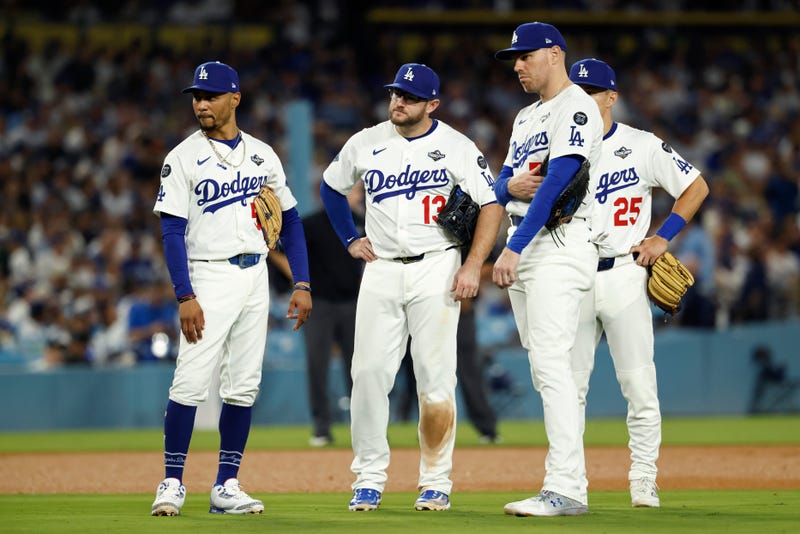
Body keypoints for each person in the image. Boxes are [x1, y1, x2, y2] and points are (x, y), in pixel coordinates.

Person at [321, 63, 503, 512]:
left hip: (436, 268)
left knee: (435, 378)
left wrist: (472, 264)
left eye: (409, 97)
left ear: (432, 104)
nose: (398, 102)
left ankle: (435, 481)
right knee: (366, 375)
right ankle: (368, 477)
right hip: (381, 268)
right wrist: (349, 237)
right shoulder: (366, 141)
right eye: (395, 94)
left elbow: (491, 204)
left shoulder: (456, 147)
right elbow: (330, 187)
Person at [150, 61, 312, 517]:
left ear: (234, 99)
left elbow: (292, 220)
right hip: (208, 275)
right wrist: (185, 294)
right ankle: (172, 482)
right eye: (196, 96)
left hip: (255, 274)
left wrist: (301, 281)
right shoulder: (181, 158)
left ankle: (226, 485)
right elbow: (171, 232)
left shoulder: (262, 155)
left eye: (210, 96)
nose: (200, 103)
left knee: (243, 387)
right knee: (189, 381)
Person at [566, 58, 709, 508]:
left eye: (591, 91)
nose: (582, 99)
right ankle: (570, 483)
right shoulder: (556, 148)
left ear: (611, 97)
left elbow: (696, 187)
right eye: (577, 90)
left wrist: (663, 238)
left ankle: (644, 479)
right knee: (569, 388)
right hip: (572, 276)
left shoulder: (641, 145)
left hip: (625, 274)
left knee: (639, 385)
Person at [491, 23, 604, 517]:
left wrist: (513, 246)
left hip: (558, 243)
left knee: (553, 365)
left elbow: (557, 182)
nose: (517, 65)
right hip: (530, 245)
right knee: (547, 368)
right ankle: (568, 483)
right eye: (514, 58)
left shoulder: (576, 106)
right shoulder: (524, 117)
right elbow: (500, 185)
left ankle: (566, 487)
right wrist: (508, 189)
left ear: (555, 54)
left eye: (525, 56)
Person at [302, 182, 365, 446]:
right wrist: (300, 286)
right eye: (355, 191)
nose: (359, 195)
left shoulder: (363, 221)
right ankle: (321, 427)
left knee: (360, 369)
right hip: (320, 305)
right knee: (318, 367)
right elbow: (282, 252)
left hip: (354, 303)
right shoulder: (311, 223)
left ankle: (364, 430)